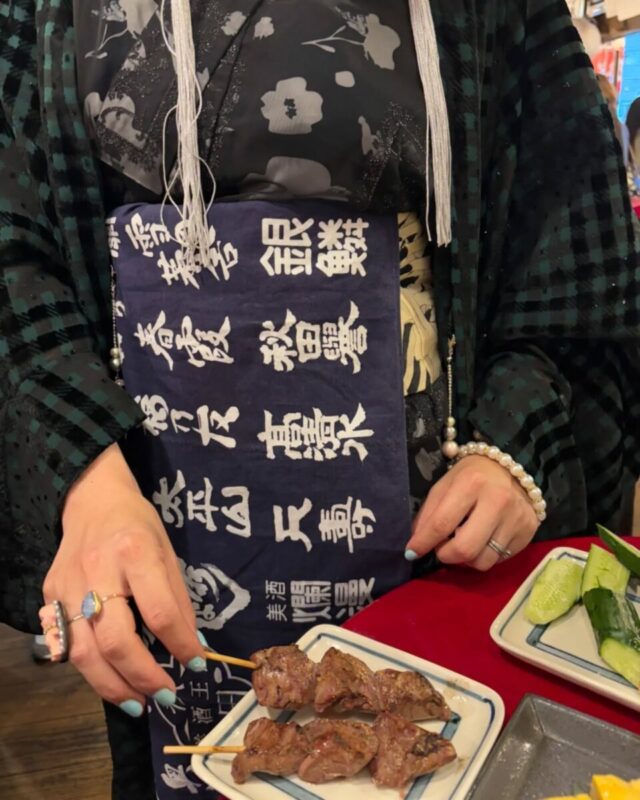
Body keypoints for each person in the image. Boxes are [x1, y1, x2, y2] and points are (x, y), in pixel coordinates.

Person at [1, 1, 638, 798]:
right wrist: (83, 479)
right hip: (157, 533)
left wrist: (517, 439)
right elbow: (13, 247)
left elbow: (569, 238)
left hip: (442, 541)